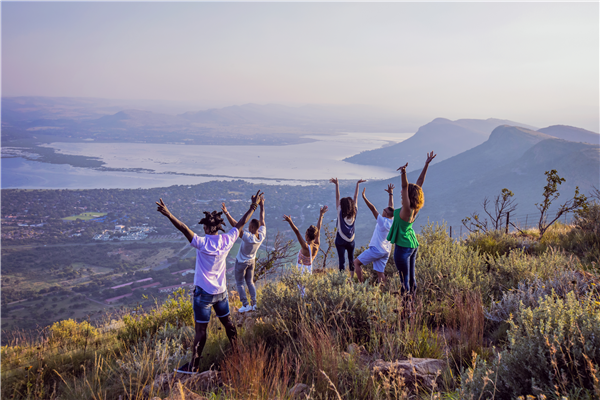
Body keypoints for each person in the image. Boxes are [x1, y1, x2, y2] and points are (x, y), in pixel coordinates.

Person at [155, 190, 262, 374]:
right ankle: (238, 352)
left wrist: (168, 214)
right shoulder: (227, 240)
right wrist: (253, 205)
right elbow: (242, 222)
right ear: (219, 227)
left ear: (205, 228)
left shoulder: (201, 243)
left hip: (203, 295)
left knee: (200, 331)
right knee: (228, 324)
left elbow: (183, 227)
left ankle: (194, 366)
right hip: (220, 293)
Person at [387, 152, 436, 294]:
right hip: (412, 245)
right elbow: (419, 184)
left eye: (405, 192)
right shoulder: (415, 208)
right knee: (411, 280)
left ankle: (406, 309)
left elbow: (404, 186)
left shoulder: (407, 210)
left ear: (408, 195)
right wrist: (426, 164)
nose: (402, 193)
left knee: (404, 281)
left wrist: (403, 172)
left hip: (402, 248)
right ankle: (412, 305)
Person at [221, 194, 266, 313]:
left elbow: (236, 225)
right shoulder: (261, 235)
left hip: (241, 262)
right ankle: (254, 304)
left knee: (240, 283)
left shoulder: (247, 237)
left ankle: (245, 305)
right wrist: (262, 205)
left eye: (249, 226)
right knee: (250, 282)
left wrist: (227, 213)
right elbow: (262, 219)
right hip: (252, 262)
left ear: (251, 227)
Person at [354, 184, 395, 283]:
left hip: (376, 249)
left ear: (385, 213)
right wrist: (390, 194)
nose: (383, 210)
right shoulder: (392, 221)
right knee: (380, 273)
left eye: (384, 210)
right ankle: (383, 290)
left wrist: (364, 197)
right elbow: (391, 207)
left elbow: (373, 209)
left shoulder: (382, 222)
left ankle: (361, 285)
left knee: (356, 263)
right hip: (386, 251)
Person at [330, 178, 366, 278]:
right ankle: (351, 277)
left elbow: (337, 197)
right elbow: (355, 196)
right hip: (351, 240)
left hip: (340, 239)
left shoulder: (340, 211)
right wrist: (357, 184)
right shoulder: (355, 212)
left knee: (341, 260)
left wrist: (337, 184)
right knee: (351, 258)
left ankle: (341, 279)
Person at [283, 205, 328, 275]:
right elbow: (318, 229)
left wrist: (290, 221)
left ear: (307, 236)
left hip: (300, 273)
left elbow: (297, 232)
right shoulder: (317, 245)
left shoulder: (305, 247)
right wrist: (321, 215)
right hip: (308, 273)